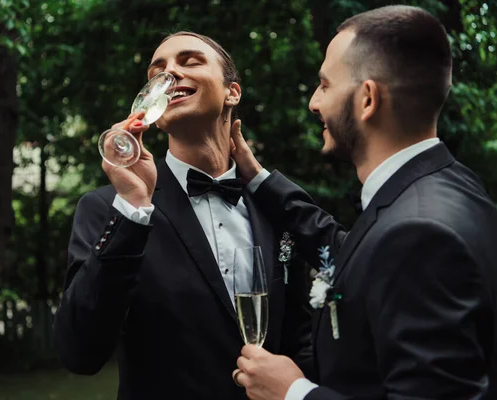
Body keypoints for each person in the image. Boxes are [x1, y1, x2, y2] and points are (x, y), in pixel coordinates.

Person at [229, 5, 497, 400]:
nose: (313, 102)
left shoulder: (418, 235)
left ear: (367, 99)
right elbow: (354, 253)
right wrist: (259, 179)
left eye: (325, 85)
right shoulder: (450, 185)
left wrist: (294, 393)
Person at [53, 31, 314, 400]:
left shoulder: (276, 206)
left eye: (190, 61)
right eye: (157, 71)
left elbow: (301, 340)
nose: (170, 73)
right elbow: (79, 352)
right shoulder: (109, 208)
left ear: (232, 93)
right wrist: (133, 208)